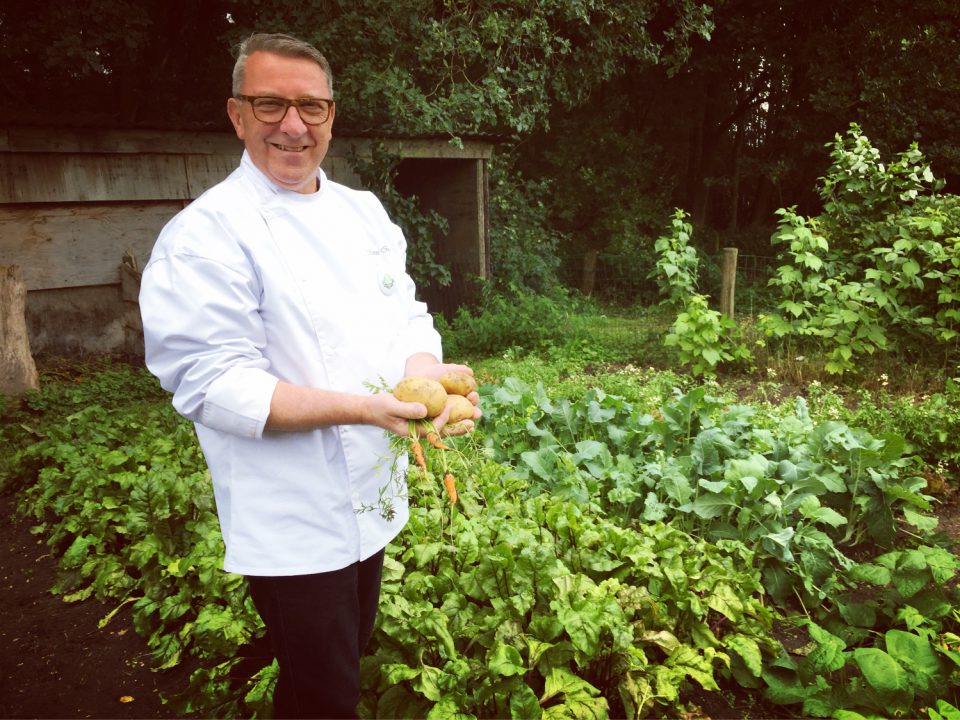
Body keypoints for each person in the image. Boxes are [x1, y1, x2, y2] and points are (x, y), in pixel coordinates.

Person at [138, 31, 479, 719]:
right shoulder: (204, 235)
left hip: (369, 497)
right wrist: (364, 410)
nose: (292, 125)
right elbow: (213, 383)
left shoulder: (364, 213)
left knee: (336, 669)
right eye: (270, 104)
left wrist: (428, 380)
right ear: (236, 115)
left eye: (311, 107)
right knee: (327, 693)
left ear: (331, 115)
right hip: (289, 512)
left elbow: (406, 317)